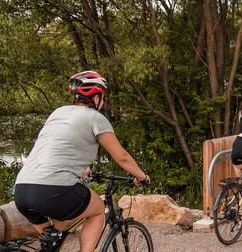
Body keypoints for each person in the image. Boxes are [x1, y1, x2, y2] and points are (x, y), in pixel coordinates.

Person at [13, 70, 150, 252]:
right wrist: (141, 176)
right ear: (95, 97)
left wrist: (82, 169)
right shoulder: (95, 118)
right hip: (54, 189)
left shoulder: (58, 113)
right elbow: (121, 156)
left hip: (22, 190)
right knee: (98, 209)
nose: (104, 100)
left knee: (54, 239)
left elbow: (56, 146)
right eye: (103, 96)